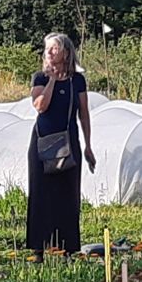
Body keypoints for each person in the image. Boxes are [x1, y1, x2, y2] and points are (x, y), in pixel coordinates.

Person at [26, 32, 95, 259]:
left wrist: (88, 145)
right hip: (42, 142)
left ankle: (67, 248)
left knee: (68, 194)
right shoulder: (40, 78)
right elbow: (40, 106)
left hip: (69, 141)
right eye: (47, 48)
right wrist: (53, 80)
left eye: (54, 48)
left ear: (66, 53)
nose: (49, 52)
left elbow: (83, 113)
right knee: (41, 192)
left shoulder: (78, 81)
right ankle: (39, 248)